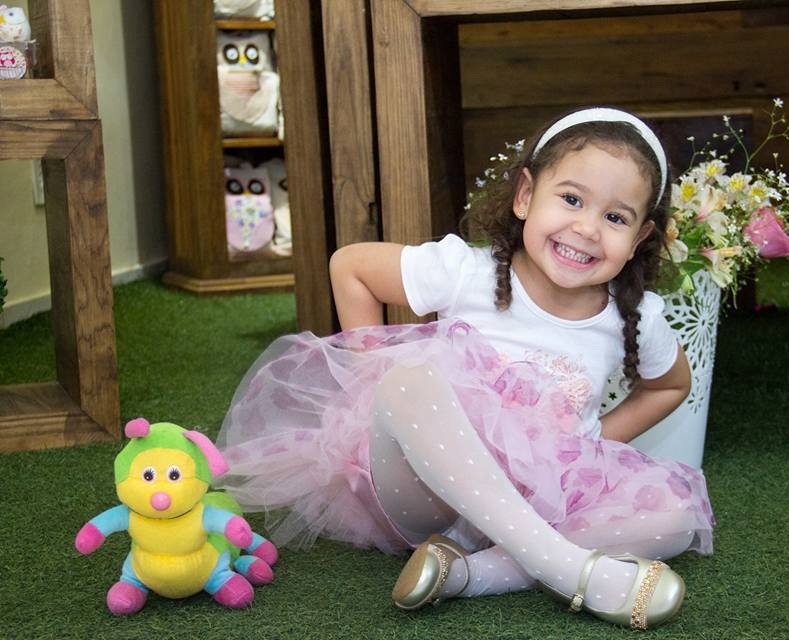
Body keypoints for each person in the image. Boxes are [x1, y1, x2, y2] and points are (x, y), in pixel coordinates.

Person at [216, 106, 714, 630]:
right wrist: (368, 386)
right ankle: (563, 566)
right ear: (526, 196)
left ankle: (471, 573)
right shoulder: (465, 271)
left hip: (545, 500)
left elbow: (670, 385)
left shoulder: (633, 316)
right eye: (571, 199)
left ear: (638, 239)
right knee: (408, 379)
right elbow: (351, 267)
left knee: (676, 516)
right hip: (426, 497)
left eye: (616, 218)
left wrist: (593, 442)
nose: (587, 228)